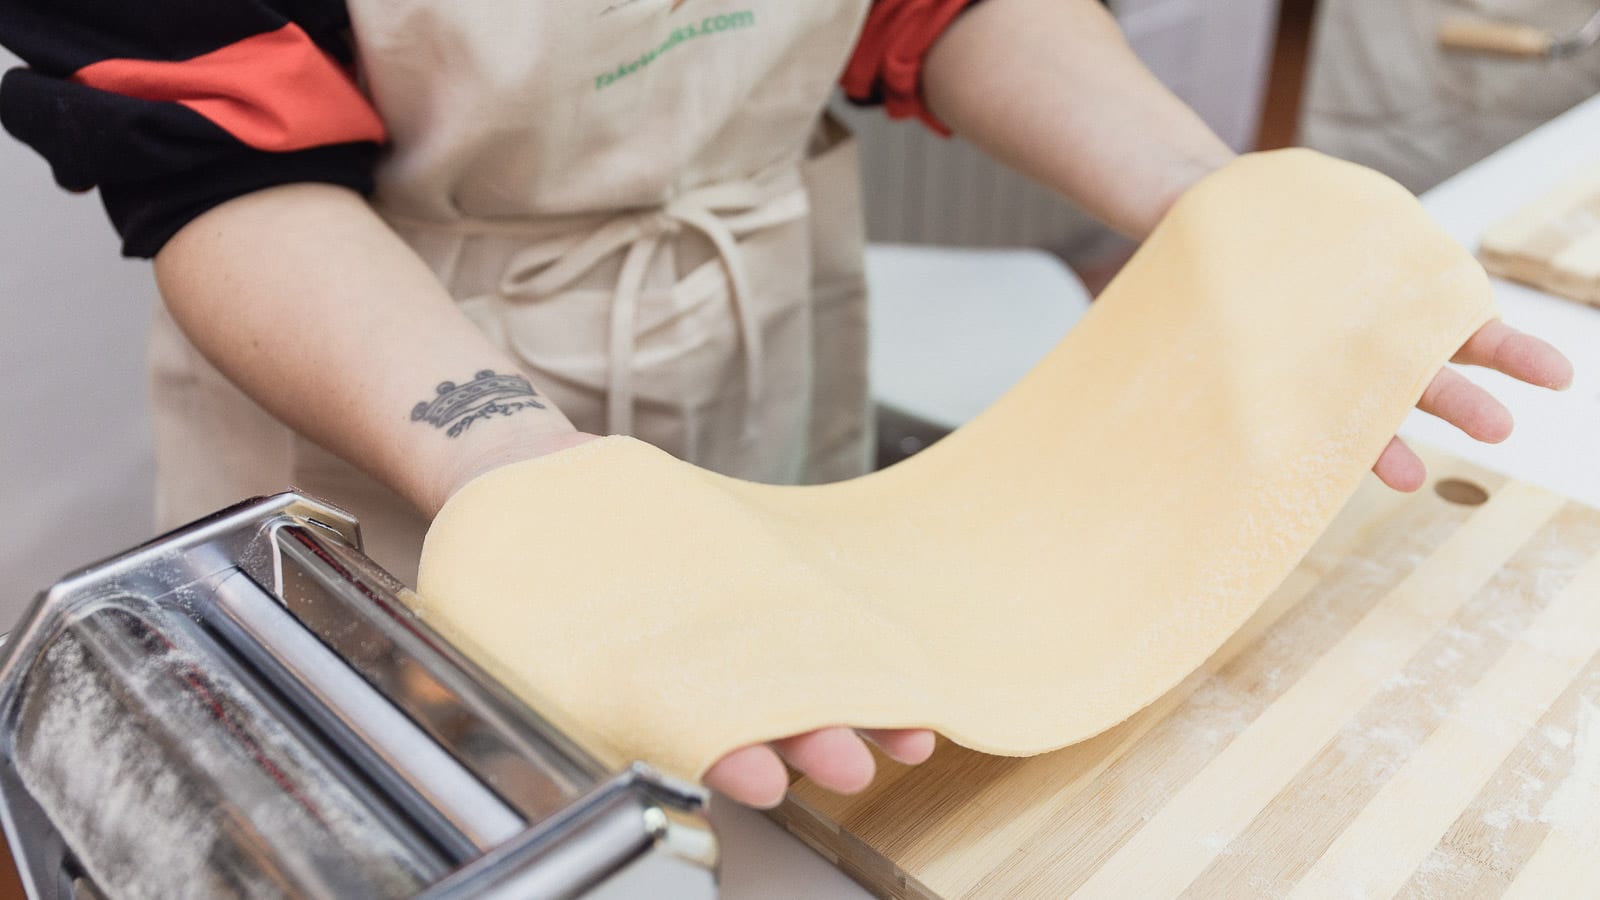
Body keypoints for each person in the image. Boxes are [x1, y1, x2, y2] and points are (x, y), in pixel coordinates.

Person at [0, 0, 1573, 809]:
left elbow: (939, 7)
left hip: (756, 306)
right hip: (397, 392)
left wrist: (1209, 213)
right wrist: (534, 482)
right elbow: (220, 169)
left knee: (779, 806)